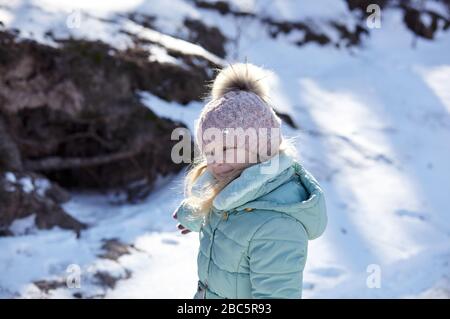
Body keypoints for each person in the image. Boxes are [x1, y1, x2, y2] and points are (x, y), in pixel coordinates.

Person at [172, 62, 327, 299]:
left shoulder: (277, 226)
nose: (216, 162)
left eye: (227, 149)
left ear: (260, 147)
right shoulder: (233, 191)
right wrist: (198, 215)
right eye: (210, 152)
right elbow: (234, 227)